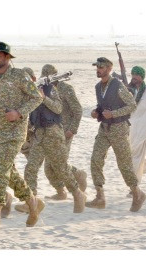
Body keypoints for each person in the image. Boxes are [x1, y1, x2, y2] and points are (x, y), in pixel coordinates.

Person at [0, 41, 45, 229]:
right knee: (10, 173)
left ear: (7, 57)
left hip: (14, 133)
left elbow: (37, 97)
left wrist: (20, 113)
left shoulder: (20, 75)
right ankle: (32, 203)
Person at [21, 64, 85, 213]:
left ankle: (77, 193)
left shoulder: (50, 89)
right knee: (31, 168)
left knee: (60, 168)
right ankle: (31, 201)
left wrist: (43, 98)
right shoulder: (28, 94)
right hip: (39, 135)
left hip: (53, 133)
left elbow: (58, 108)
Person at [87, 57, 146, 212]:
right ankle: (100, 196)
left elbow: (132, 105)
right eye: (96, 66)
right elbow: (103, 106)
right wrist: (96, 112)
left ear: (109, 68)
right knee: (95, 160)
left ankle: (137, 193)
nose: (98, 69)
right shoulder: (98, 87)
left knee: (124, 164)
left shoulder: (118, 86)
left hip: (119, 129)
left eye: (100, 66)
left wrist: (113, 114)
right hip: (104, 129)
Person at [38, 64, 87, 200]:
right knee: (50, 167)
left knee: (57, 164)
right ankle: (61, 191)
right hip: (51, 132)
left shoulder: (66, 89)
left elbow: (78, 110)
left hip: (65, 132)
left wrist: (72, 129)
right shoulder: (45, 90)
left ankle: (77, 175)